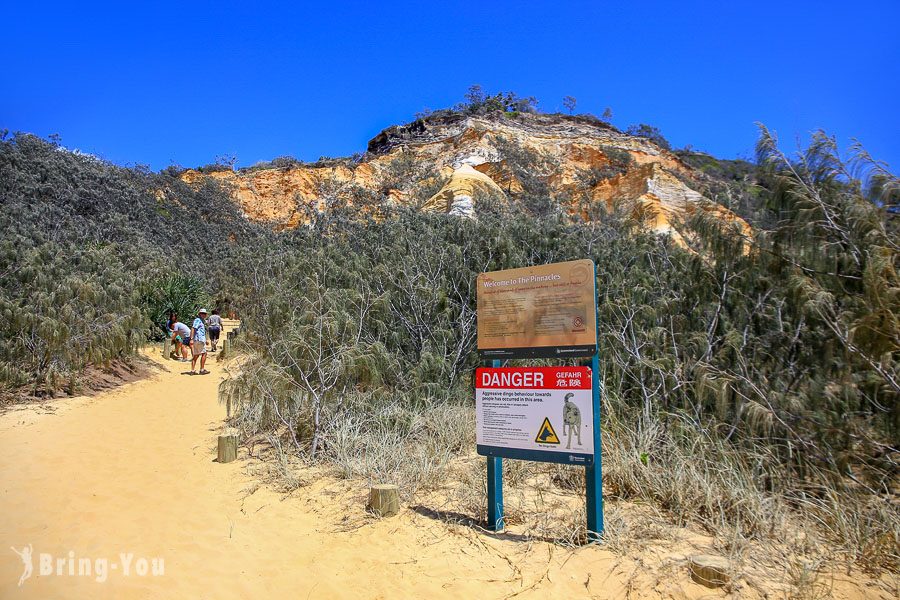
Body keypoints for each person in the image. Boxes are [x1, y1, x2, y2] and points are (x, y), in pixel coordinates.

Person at [190, 308, 209, 375]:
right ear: (199, 314)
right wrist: (191, 338)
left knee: (196, 355)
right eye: (202, 313)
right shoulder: (198, 320)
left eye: (204, 314)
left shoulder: (201, 321)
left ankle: (192, 370)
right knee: (204, 354)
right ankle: (202, 369)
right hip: (199, 340)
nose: (203, 315)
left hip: (198, 339)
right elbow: (193, 328)